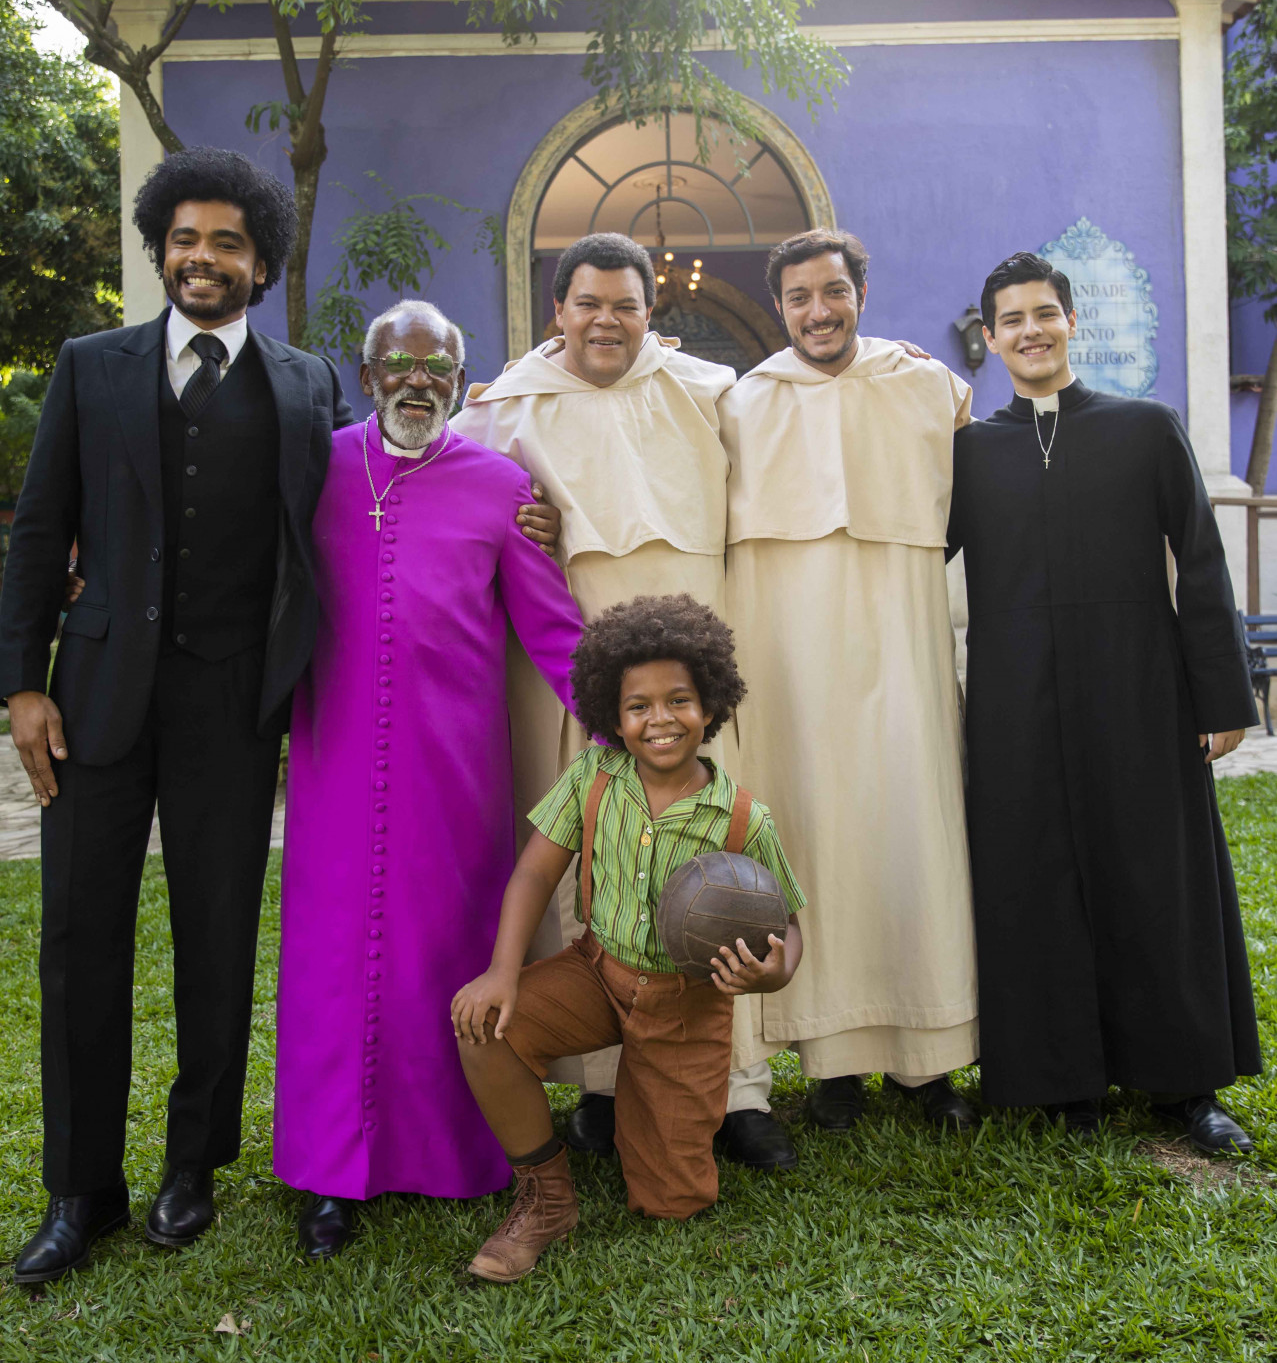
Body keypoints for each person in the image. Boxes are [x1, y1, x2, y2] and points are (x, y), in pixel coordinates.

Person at [0, 148, 353, 1286]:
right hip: (97, 696)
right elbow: (37, 528)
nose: (204, 258)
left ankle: (192, 1166)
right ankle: (80, 1190)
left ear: (262, 265)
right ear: (162, 246)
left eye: (229, 243)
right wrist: (21, 684)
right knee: (78, 943)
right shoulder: (89, 367)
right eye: (187, 238)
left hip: (233, 702)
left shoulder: (307, 385)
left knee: (217, 942)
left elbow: (347, 527)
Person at [454, 232, 794, 1172]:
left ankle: (740, 1090)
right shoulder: (507, 408)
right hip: (572, 682)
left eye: (626, 305)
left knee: (712, 870)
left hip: (698, 682)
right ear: (557, 310)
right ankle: (602, 1090)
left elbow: (806, 405)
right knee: (594, 873)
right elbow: (459, 505)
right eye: (588, 303)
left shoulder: (710, 392)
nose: (607, 321)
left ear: (652, 312)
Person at [273, 302, 585, 1258]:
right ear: (365, 376)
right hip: (330, 768)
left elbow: (553, 629)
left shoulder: (499, 487)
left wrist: (644, 713)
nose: (417, 382)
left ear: (461, 381)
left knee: (441, 960)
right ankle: (330, 1176)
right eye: (397, 366)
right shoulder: (312, 469)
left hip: (452, 779)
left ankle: (455, 1155)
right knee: (333, 966)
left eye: (437, 369)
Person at [948, 251, 1260, 1148]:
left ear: (1070, 322)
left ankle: (1184, 1087)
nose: (1029, 331)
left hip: (1140, 694)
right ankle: (1062, 1083)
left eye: (1043, 313)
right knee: (1031, 885)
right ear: (990, 336)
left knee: (1155, 881)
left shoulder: (1145, 428)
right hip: (1015, 705)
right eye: (1010, 319)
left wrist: (1220, 695)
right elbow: (905, 550)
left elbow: (1199, 562)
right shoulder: (969, 453)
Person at [450, 594, 805, 1284]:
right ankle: (547, 1200)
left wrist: (773, 974)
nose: (659, 720)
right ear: (612, 716)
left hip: (686, 1007)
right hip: (597, 973)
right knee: (483, 1027)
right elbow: (531, 874)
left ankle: (655, 1124)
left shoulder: (742, 819)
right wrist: (503, 972)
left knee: (671, 1202)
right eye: (638, 706)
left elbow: (789, 926)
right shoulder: (592, 779)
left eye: (678, 700)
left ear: (710, 704)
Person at [719, 228, 979, 1133]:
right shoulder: (744, 404)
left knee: (914, 836)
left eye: (832, 291)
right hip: (790, 668)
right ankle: (831, 1064)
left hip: (901, 661)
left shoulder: (929, 388)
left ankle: (926, 1062)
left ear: (861, 292)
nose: (817, 311)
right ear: (779, 306)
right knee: (816, 839)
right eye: (798, 297)